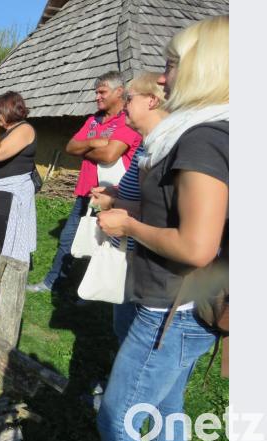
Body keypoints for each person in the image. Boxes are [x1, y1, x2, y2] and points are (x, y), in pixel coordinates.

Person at [95, 15, 229, 441]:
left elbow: (196, 246)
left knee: (119, 420)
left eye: (171, 65)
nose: (163, 78)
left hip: (175, 307)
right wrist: (133, 207)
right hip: (184, 302)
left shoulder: (201, 139)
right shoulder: (213, 131)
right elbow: (181, 214)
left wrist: (128, 224)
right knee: (168, 410)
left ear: (200, 69)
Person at [26, 71, 141, 294]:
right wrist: (97, 141)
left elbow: (110, 156)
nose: (97, 97)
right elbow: (70, 147)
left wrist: (86, 148)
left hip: (111, 196)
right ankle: (53, 283)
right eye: (96, 92)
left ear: (119, 92)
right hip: (85, 193)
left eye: (102, 92)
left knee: (106, 245)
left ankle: (94, 292)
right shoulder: (93, 120)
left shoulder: (126, 121)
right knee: (68, 239)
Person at [89, 72, 168, 345]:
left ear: (153, 102)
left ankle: (121, 384)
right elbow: (139, 193)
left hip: (144, 257)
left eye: (130, 98)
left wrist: (112, 203)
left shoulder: (165, 150)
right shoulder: (146, 146)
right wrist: (115, 192)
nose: (125, 106)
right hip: (128, 249)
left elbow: (159, 211)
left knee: (133, 333)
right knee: (122, 327)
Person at [0, 91, 37, 293]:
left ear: (9, 110)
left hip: (9, 195)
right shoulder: (8, 132)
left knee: (8, 242)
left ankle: (10, 284)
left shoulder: (24, 129)